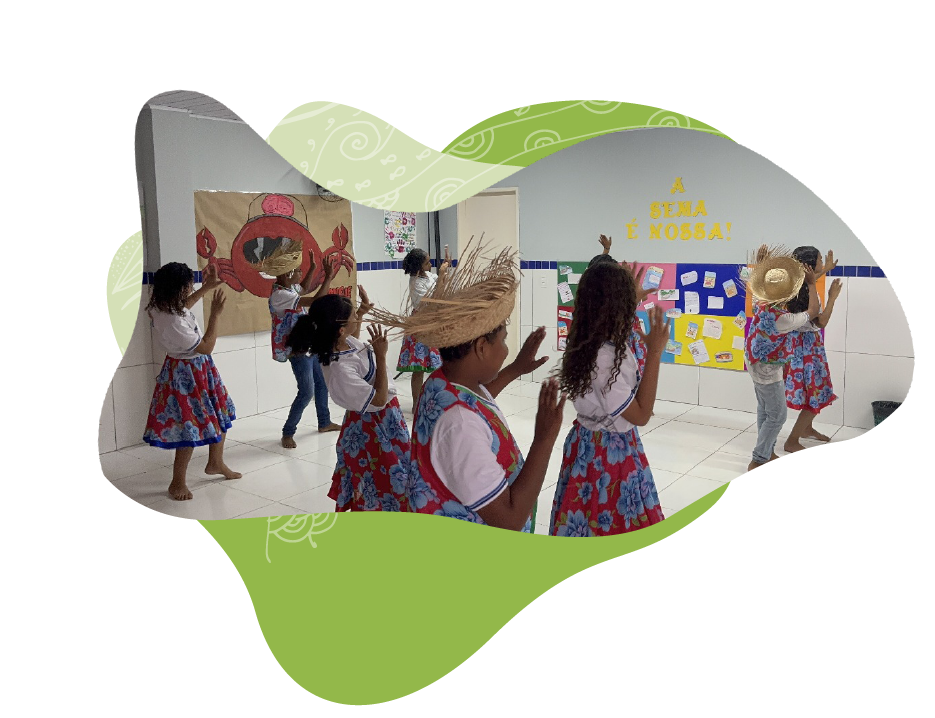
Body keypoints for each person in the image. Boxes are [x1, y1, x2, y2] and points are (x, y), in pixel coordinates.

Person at [370, 240, 565, 532]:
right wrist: (544, 439)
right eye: (503, 340)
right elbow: (509, 520)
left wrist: (516, 368)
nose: (506, 350)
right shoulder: (459, 425)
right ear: (481, 347)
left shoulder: (443, 380)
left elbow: (475, 400)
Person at [551, 261, 669, 536]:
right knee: (609, 518)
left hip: (589, 444)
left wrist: (631, 298)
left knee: (587, 516)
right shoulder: (604, 361)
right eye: (627, 302)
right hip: (608, 455)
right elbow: (641, 415)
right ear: (616, 308)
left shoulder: (589, 340)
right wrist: (655, 354)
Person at [287, 288, 411, 511]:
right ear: (341, 329)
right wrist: (381, 356)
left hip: (384, 420)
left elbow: (355, 347)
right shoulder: (340, 369)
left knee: (395, 474)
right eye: (353, 315)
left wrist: (361, 313)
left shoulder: (344, 342)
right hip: (371, 429)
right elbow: (378, 400)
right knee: (380, 482)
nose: (356, 318)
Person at [142, 262, 241, 500]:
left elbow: (182, 307)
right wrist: (215, 314)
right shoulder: (171, 321)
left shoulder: (162, 306)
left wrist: (206, 287)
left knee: (219, 412)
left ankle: (215, 462)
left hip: (201, 368)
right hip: (185, 374)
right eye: (188, 285)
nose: (190, 288)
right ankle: (177, 482)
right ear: (177, 288)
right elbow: (206, 347)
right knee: (188, 426)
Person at [256, 240, 342, 449]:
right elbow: (315, 302)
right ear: (287, 274)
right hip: (297, 349)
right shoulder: (280, 295)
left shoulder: (288, 287)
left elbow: (302, 288)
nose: (299, 273)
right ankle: (288, 432)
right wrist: (328, 277)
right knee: (306, 392)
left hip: (308, 343)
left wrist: (312, 268)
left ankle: (324, 422)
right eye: (297, 271)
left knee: (321, 384)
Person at [744, 245, 821, 472]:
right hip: (768, 369)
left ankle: (767, 452)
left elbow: (757, 285)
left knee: (765, 410)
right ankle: (758, 459)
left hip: (754, 362)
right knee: (778, 415)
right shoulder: (783, 319)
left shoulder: (762, 303)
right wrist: (811, 284)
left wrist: (761, 263)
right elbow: (813, 311)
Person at [782, 247, 843, 452]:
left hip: (802, 345)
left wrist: (825, 269)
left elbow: (809, 279)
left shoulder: (795, 285)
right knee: (814, 393)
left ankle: (806, 429)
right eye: (819, 260)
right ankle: (792, 441)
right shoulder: (807, 290)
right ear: (808, 265)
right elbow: (821, 321)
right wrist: (832, 297)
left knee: (813, 392)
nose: (821, 262)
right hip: (806, 349)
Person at [397, 247, 449, 409]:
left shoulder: (430, 276)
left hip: (433, 323)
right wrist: (441, 276)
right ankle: (416, 404)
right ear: (419, 266)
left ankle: (435, 400)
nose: (430, 264)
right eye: (427, 262)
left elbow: (442, 287)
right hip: (420, 325)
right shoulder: (415, 283)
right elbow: (432, 301)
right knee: (419, 367)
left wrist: (444, 272)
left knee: (438, 365)